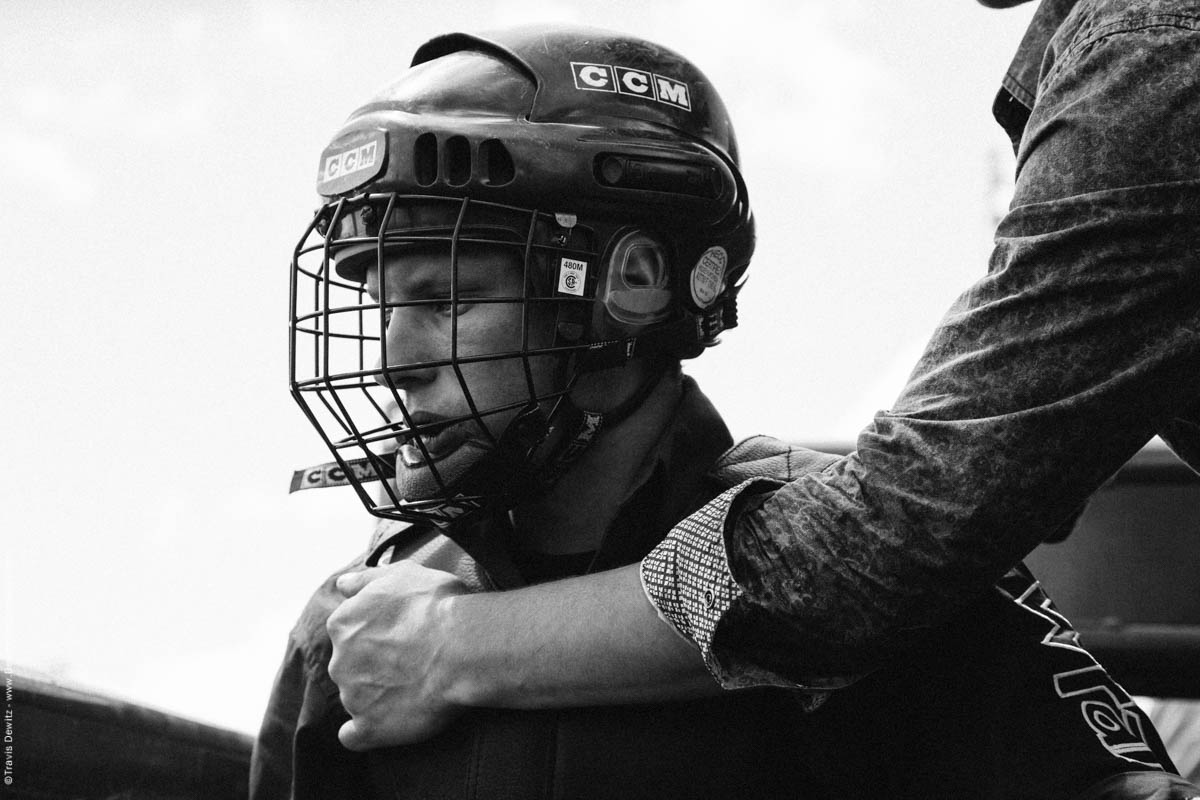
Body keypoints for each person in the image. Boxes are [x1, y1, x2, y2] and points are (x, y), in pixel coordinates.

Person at [251, 24, 1199, 800]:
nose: (393, 359)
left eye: (443, 303)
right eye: (379, 305)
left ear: (631, 281)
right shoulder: (355, 631)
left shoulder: (909, 575)